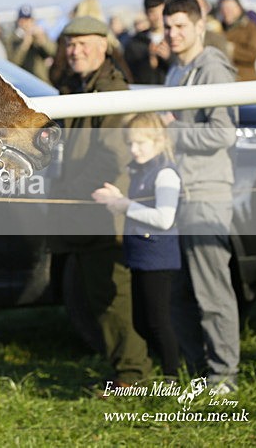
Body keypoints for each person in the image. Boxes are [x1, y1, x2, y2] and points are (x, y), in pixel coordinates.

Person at [48, 16, 152, 390]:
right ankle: (128, 369)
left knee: (113, 299)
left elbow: (111, 156)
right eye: (70, 44)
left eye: (83, 43)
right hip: (87, 210)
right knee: (101, 297)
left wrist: (68, 190)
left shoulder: (111, 90)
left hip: (106, 212)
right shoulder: (80, 86)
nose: (74, 51)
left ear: (104, 46)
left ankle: (133, 375)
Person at [161, 0, 239, 394]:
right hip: (178, 194)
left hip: (206, 192)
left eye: (179, 26)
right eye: (168, 27)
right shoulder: (175, 69)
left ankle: (224, 378)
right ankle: (200, 372)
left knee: (212, 292)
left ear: (199, 25)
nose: (172, 34)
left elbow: (223, 132)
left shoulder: (212, 67)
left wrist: (172, 130)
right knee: (180, 297)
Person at [92, 113, 182, 378]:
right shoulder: (140, 170)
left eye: (141, 143)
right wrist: (118, 199)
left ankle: (172, 376)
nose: (134, 149)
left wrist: (124, 205)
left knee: (158, 321)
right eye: (130, 143)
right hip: (140, 256)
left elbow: (164, 219)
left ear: (158, 140)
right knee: (142, 322)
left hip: (158, 259)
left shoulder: (165, 173)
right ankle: (160, 372)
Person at [124, 0, 173, 85]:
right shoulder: (135, 43)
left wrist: (169, 58)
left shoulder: (174, 38)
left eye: (161, 12)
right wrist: (149, 59)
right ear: (146, 14)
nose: (158, 17)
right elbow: (130, 74)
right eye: (153, 12)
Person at [5, 4, 57, 84]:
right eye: (23, 20)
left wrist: (42, 40)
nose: (26, 23)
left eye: (29, 20)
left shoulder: (41, 34)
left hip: (43, 80)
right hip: (23, 82)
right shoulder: (12, 39)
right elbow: (13, 63)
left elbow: (54, 52)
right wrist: (24, 45)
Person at [218, 0, 256, 81]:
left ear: (239, 9)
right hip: (224, 79)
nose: (226, 12)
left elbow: (252, 54)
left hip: (246, 79)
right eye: (223, 9)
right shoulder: (218, 29)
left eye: (229, 9)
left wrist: (232, 49)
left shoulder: (250, 28)